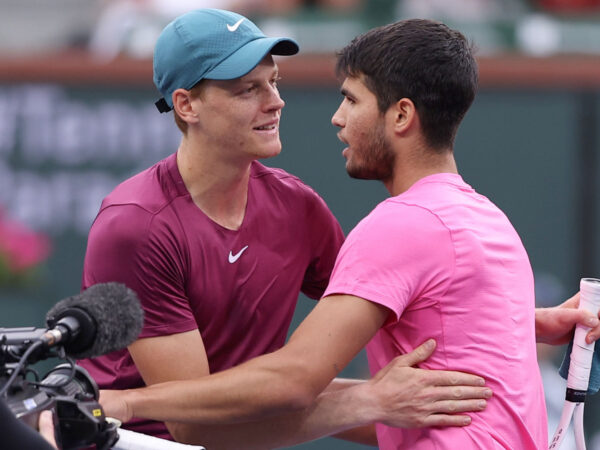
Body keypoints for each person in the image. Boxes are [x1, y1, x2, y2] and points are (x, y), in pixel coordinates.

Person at [97, 16, 600, 449]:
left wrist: (526, 321)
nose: (276, 102)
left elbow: (388, 301)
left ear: (401, 115)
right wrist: (370, 400)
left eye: (274, 82)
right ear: (186, 105)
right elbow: (192, 425)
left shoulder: (305, 208)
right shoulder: (136, 227)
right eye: (248, 88)